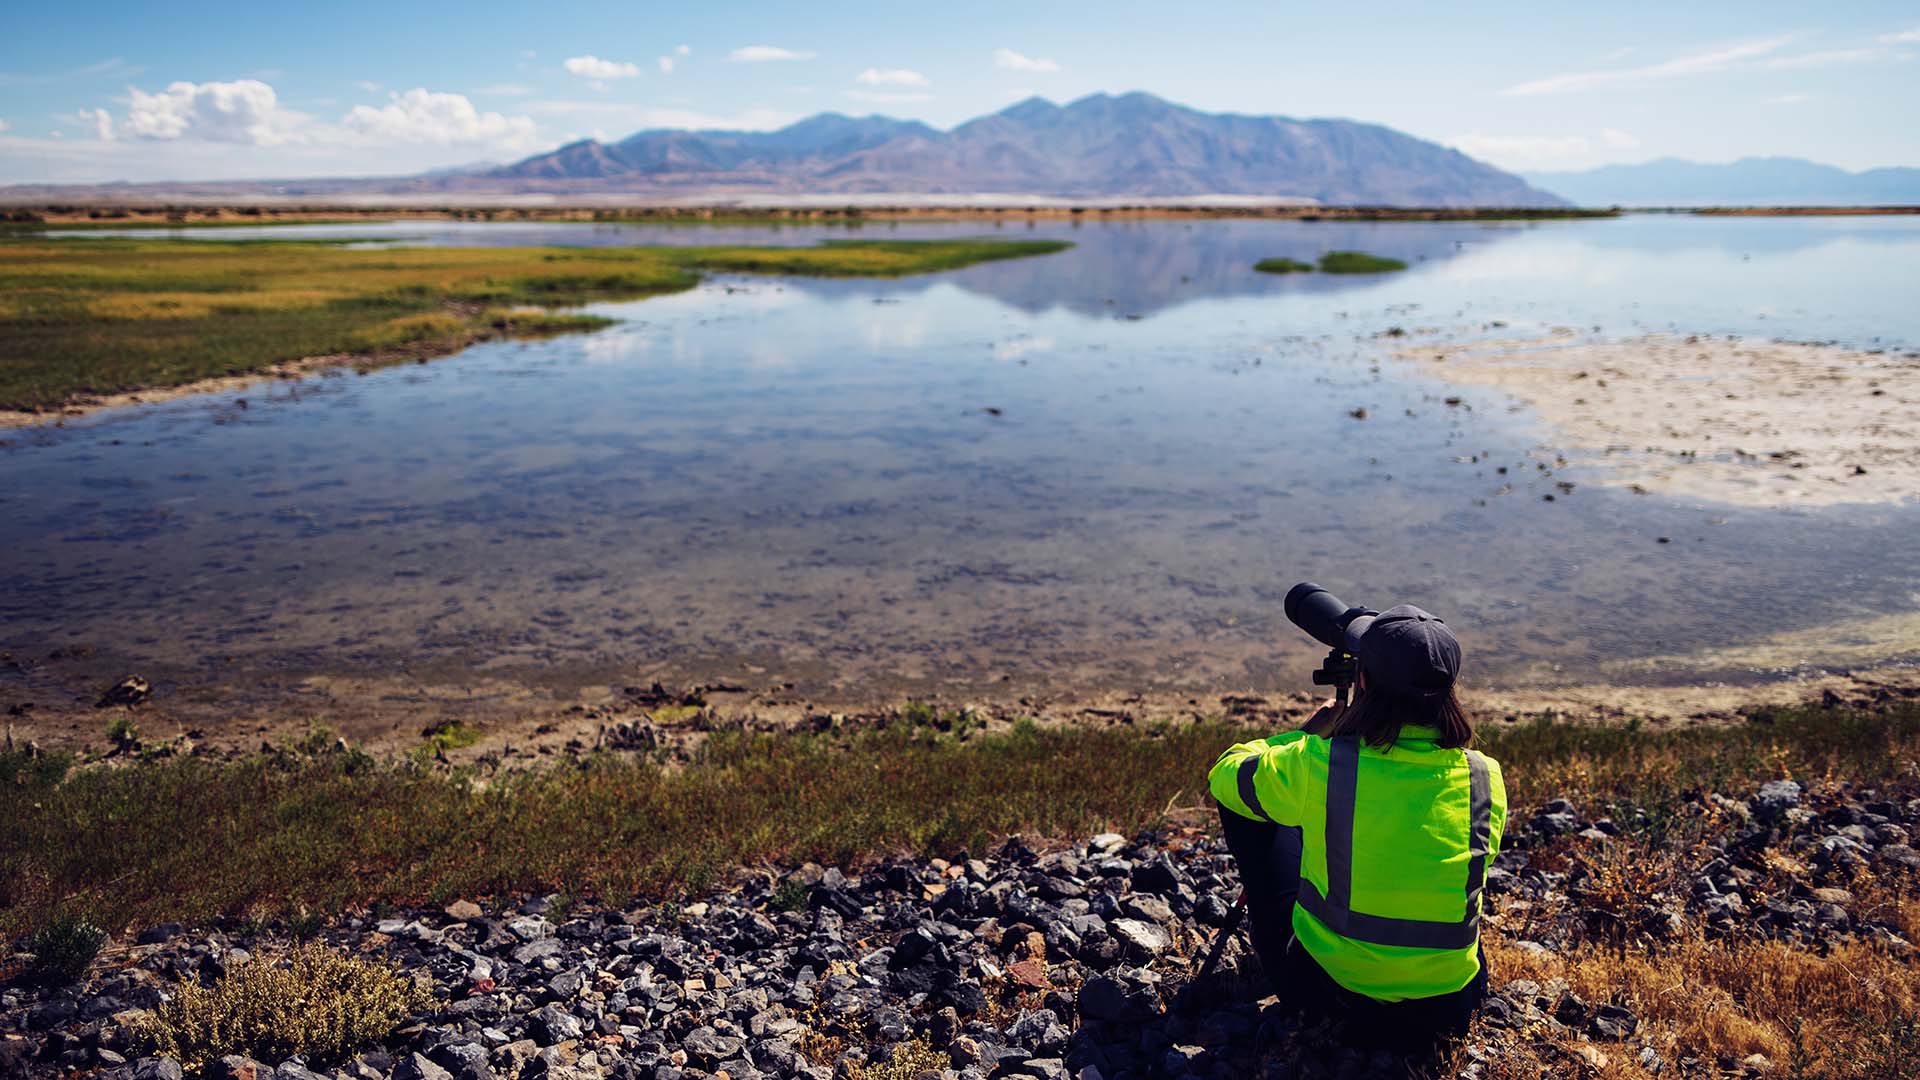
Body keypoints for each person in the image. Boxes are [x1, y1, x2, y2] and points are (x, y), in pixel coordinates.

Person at [1206, 604, 1507, 1049]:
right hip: (1447, 1008)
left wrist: (1309, 734)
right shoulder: (1486, 777)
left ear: (1362, 680)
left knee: (1251, 804)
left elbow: (1225, 773)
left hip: (1331, 999)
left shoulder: (1319, 764)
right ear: (1449, 689)